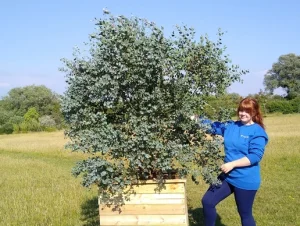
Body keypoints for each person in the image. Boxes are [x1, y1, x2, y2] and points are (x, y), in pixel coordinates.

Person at [201, 97, 268, 226]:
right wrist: (195, 119)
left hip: (245, 179)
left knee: (245, 214)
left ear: (254, 112)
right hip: (227, 176)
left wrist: (232, 164)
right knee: (207, 202)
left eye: (247, 111)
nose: (243, 113)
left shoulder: (257, 132)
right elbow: (213, 127)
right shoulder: (231, 126)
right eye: (241, 110)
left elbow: (255, 156)